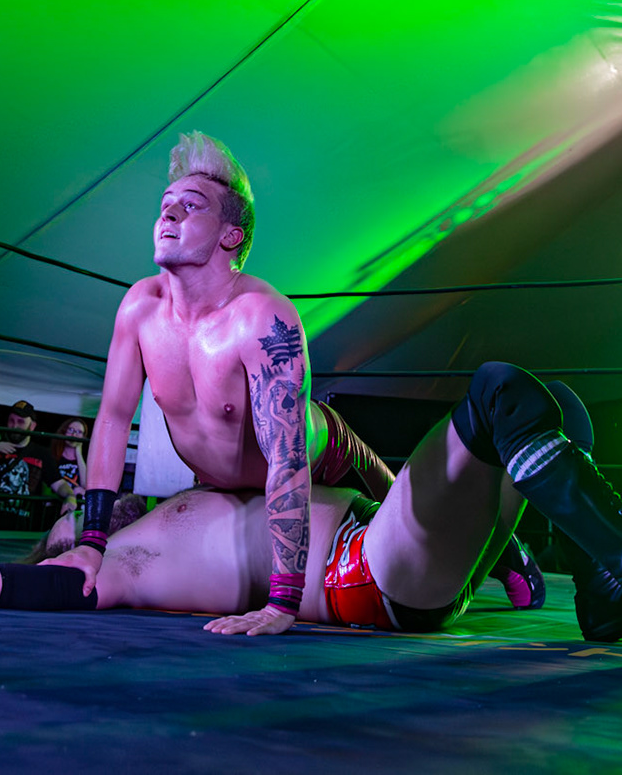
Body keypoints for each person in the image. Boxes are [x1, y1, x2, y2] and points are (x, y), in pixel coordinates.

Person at [0, 361, 622, 657]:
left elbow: (330, 448)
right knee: (498, 391)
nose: (79, 509)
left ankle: (607, 594)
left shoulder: (176, 501)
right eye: (69, 519)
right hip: (366, 574)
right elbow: (21, 586)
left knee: (558, 405)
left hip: (391, 545)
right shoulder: (112, 563)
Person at [62, 132, 401, 637]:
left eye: (191, 206)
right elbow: (112, 418)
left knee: (403, 511)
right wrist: (91, 542)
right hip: (222, 483)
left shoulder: (263, 316)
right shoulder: (139, 308)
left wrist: (282, 602)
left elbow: (287, 459)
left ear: (230, 236)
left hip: (322, 451)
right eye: (166, 204)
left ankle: (509, 559)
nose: (168, 214)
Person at [0, 401, 44, 530]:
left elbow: (58, 484)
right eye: (11, 421)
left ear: (32, 426)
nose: (14, 426)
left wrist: (70, 497)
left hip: (19, 529)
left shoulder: (42, 453)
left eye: (21, 422)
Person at [44, 418, 88, 525]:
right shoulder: (52, 454)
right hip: (56, 505)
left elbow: (85, 484)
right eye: (71, 430)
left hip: (76, 509)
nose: (74, 434)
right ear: (64, 431)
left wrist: (78, 453)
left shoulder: (84, 458)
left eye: (79, 432)